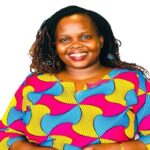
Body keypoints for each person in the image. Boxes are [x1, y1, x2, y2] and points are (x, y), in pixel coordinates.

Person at [0, 5, 150, 150]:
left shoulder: (132, 82)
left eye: (85, 36)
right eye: (65, 39)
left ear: (101, 40)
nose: (75, 45)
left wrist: (119, 148)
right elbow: (5, 132)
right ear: (55, 45)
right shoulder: (35, 83)